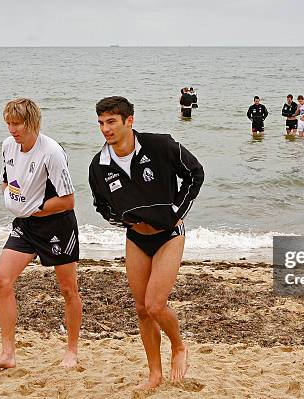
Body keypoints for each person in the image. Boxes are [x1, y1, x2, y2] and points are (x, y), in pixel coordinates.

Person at [88, 96, 204, 389]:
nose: (105, 129)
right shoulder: (99, 165)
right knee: (141, 309)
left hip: (169, 236)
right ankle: (155, 373)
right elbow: (101, 204)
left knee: (155, 305)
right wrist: (123, 220)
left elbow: (195, 173)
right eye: (101, 123)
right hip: (136, 239)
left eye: (111, 122)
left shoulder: (160, 146)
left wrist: (177, 212)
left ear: (129, 120)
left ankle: (178, 345)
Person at [0, 98, 81, 370]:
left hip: (57, 225)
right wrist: (14, 200)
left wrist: (34, 208)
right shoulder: (8, 145)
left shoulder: (52, 152)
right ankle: (7, 354)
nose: (12, 129)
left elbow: (68, 200)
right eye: (8, 123)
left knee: (68, 290)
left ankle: (71, 351)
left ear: (32, 122)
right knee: (1, 280)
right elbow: (7, 179)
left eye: (17, 123)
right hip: (25, 224)